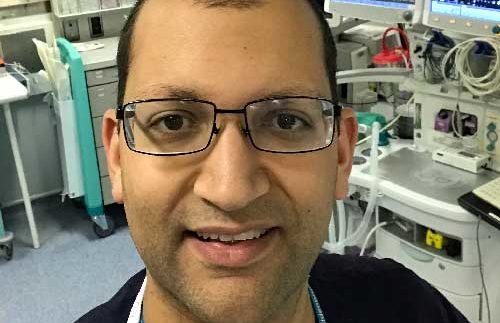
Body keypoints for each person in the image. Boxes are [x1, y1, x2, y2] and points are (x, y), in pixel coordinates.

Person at [77, 0, 470, 322]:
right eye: (173, 121)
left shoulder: (409, 309)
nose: (231, 191)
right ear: (117, 157)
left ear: (341, 155)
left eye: (286, 121)